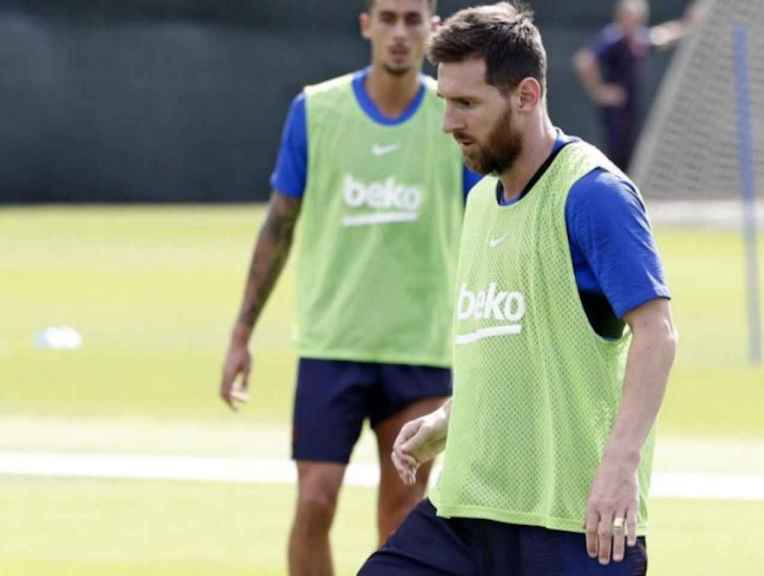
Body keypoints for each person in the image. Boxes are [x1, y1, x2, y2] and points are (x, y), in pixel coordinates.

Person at [359, 3, 677, 574]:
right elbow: (511, 343)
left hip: (570, 525)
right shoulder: (481, 198)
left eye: (467, 103)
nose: (448, 122)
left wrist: (620, 465)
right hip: (465, 512)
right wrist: (448, 421)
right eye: (445, 102)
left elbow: (657, 334)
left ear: (526, 96)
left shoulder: (594, 194)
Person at [218, 1, 479, 574]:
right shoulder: (314, 110)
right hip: (332, 345)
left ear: (432, 28)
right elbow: (278, 225)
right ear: (367, 25)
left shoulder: (455, 116)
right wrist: (242, 333)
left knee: (404, 516)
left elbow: (492, 224)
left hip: (421, 348)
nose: (400, 33)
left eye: (414, 19)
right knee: (314, 500)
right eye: (388, 18)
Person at [573, 0, 701, 172]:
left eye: (639, 18)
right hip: (616, 113)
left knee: (633, 157)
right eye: (631, 17)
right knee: (617, 157)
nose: (635, 22)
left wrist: (688, 25)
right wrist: (599, 91)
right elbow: (584, 61)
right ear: (621, 17)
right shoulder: (612, 38)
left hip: (632, 109)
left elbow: (663, 36)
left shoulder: (638, 38)